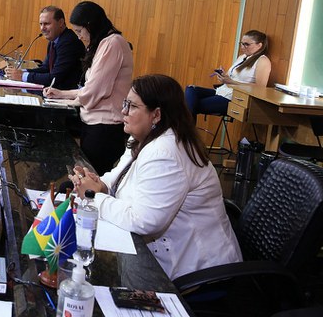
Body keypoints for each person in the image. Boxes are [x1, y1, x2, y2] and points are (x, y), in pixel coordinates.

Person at [69, 74, 242, 280]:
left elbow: (143, 221)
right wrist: (97, 183)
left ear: (156, 115)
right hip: (167, 256)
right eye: (125, 103)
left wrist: (93, 196)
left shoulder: (166, 153)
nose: (124, 111)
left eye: (132, 106)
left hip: (201, 272)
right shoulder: (143, 138)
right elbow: (117, 177)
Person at [43, 1, 133, 174]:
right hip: (95, 124)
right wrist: (61, 94)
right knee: (87, 176)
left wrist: (66, 101)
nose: (79, 37)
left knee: (91, 179)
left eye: (79, 31)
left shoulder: (112, 43)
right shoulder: (104, 43)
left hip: (104, 127)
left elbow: (94, 91)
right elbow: (91, 87)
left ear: (90, 26)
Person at [185, 30, 271, 118]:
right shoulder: (242, 57)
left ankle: (185, 124)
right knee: (191, 89)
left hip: (234, 98)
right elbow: (233, 77)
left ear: (259, 45)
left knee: (189, 105)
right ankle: (187, 123)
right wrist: (224, 76)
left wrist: (232, 82)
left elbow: (260, 87)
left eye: (246, 44)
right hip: (222, 91)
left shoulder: (263, 61)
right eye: (241, 43)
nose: (242, 47)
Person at [5, 5, 82, 89]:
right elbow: (45, 68)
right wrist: (21, 72)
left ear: (60, 22)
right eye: (41, 24)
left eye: (47, 24)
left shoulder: (68, 42)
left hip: (67, 93)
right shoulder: (54, 40)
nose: (42, 28)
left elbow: (54, 78)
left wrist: (22, 76)